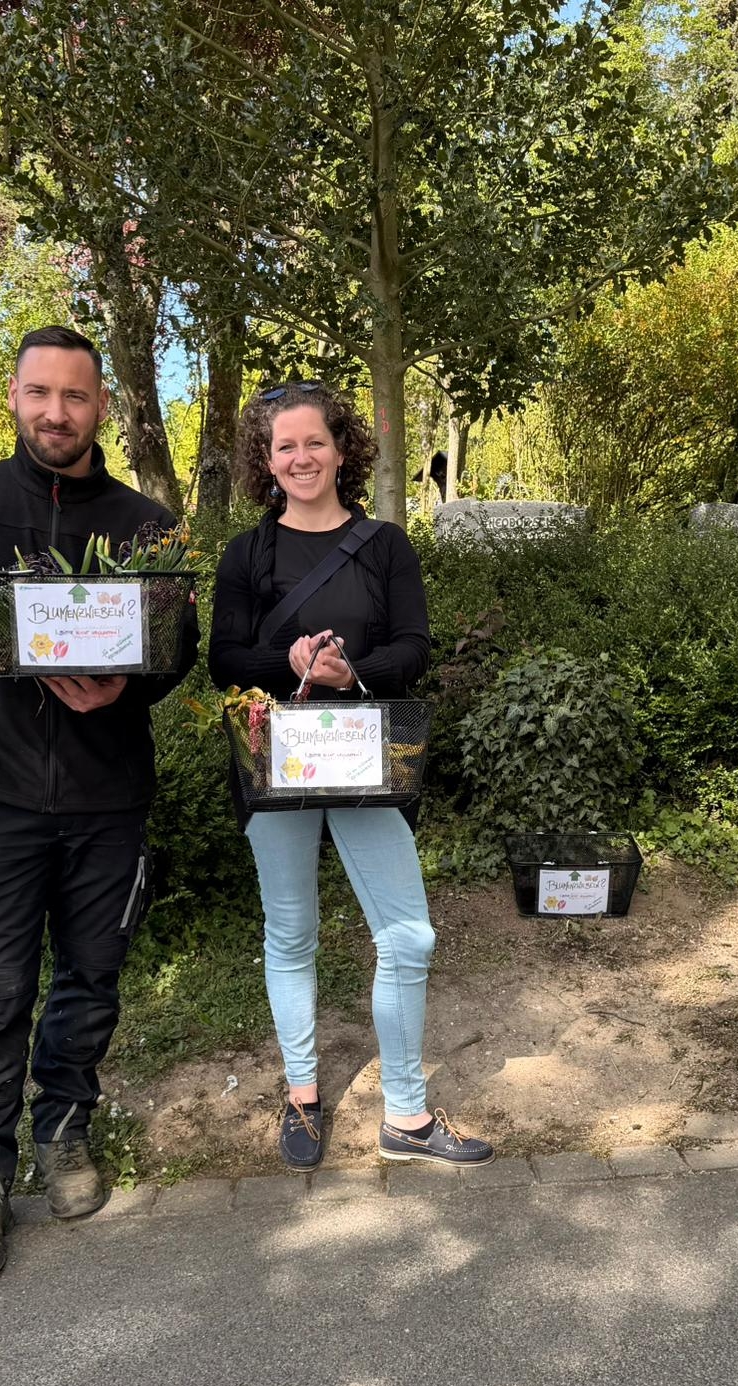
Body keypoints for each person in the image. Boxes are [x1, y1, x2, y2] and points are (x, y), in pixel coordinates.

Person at [0, 326, 198, 1285]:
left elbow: (177, 646)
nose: (56, 412)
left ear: (102, 405)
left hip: (110, 802)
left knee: (90, 981)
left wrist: (129, 685)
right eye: (39, 393)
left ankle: (65, 1129)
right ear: (14, 397)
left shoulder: (147, 525)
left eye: (74, 395)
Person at [209, 380, 493, 1171]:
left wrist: (351, 671)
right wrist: (291, 660)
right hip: (276, 765)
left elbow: (415, 647)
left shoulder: (385, 545)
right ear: (266, 460)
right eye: (284, 446)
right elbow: (224, 659)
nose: (301, 457)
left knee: (408, 936)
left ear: (342, 451)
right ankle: (302, 1095)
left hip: (367, 761)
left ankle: (406, 1115)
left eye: (315, 442)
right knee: (291, 933)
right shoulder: (247, 554)